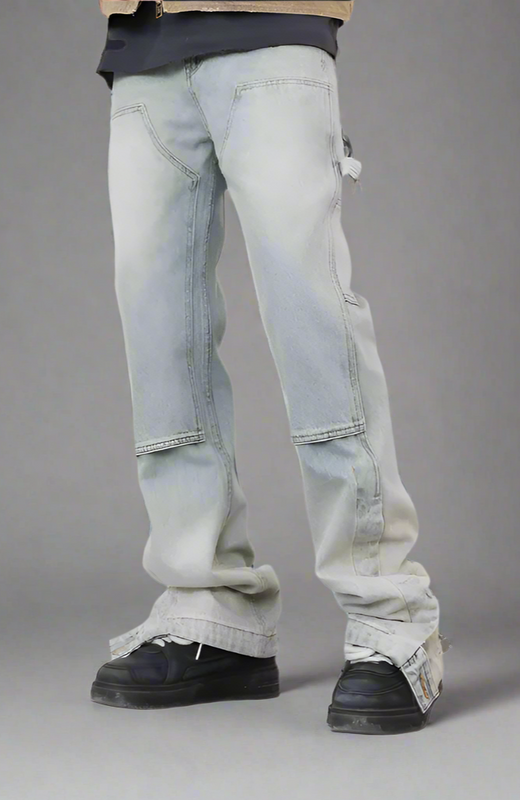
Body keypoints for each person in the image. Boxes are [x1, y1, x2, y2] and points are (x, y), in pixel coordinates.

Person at [91, 0, 447, 735]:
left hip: (271, 27)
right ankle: (211, 605)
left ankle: (390, 616)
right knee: (158, 329)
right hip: (142, 45)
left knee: (308, 310)